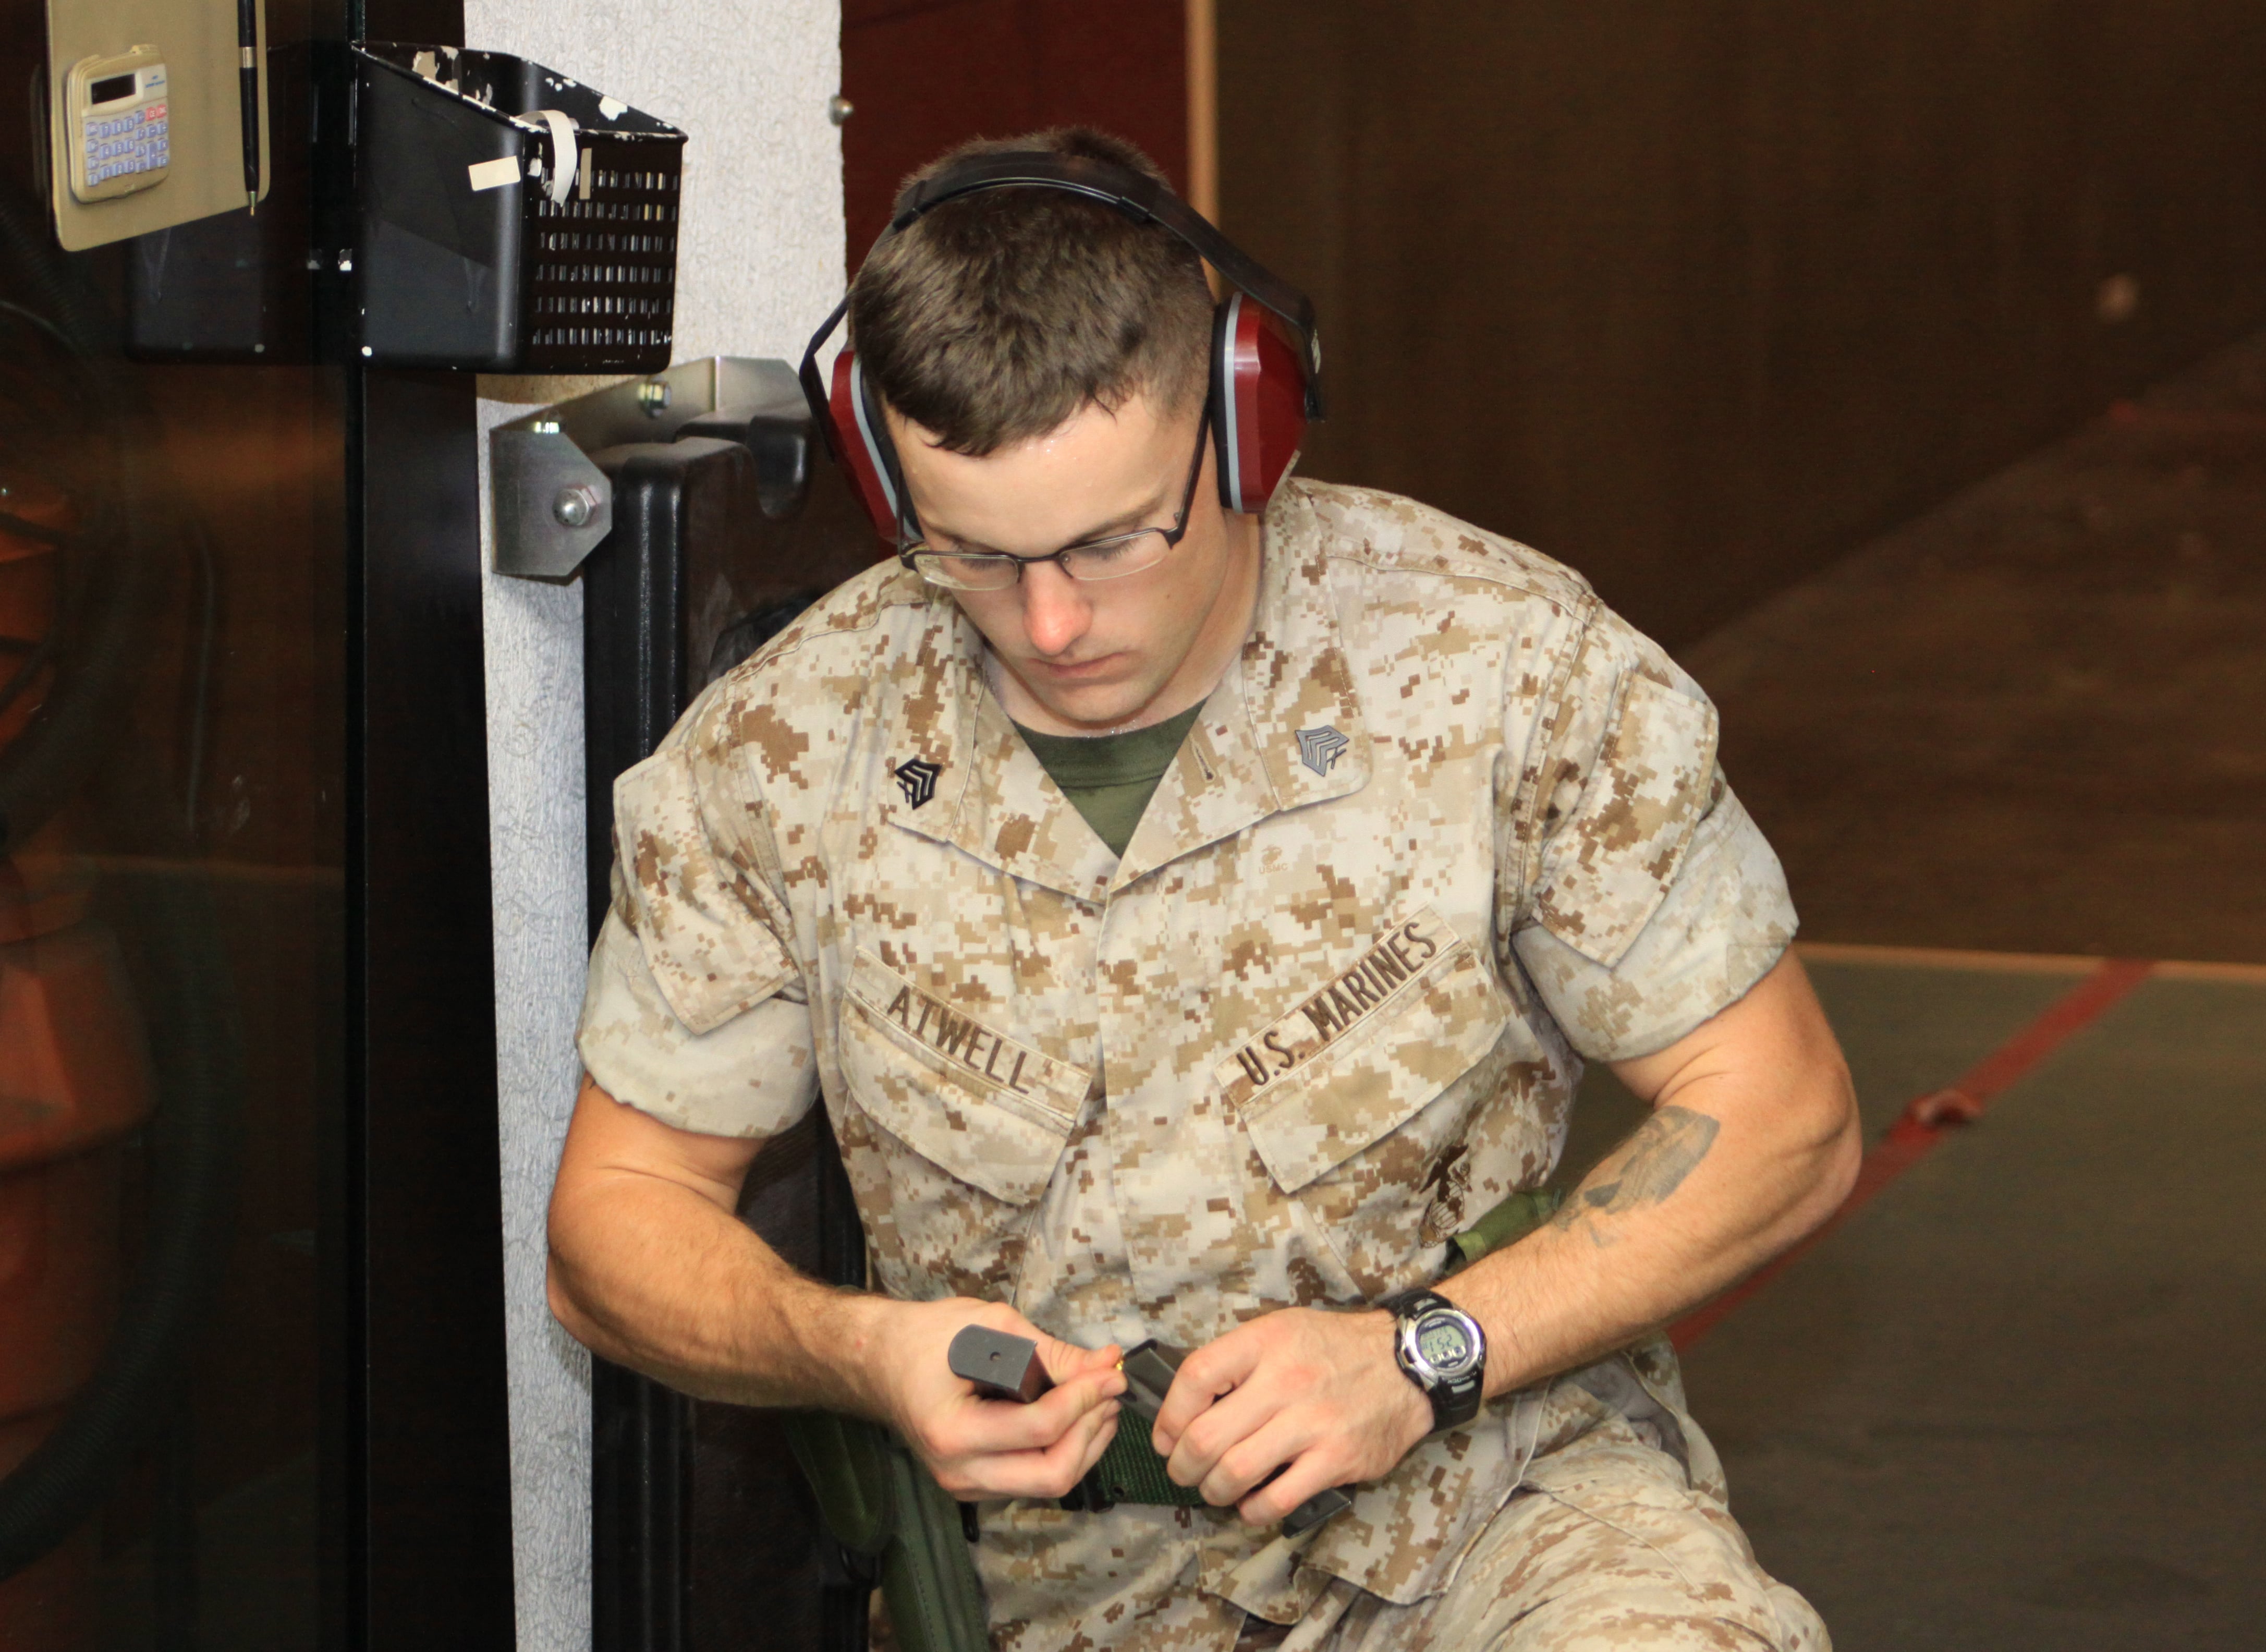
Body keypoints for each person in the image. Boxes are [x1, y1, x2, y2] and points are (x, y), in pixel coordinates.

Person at [546, 125, 1859, 1651]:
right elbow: (612, 1229)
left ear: (1248, 425)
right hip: (1049, 1598)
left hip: (1486, 1511)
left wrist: (1425, 1353)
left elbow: (1786, 1114)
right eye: (969, 553)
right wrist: (861, 1354)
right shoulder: (786, 752)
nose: (1048, 621)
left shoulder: (1499, 667)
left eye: (1114, 539)